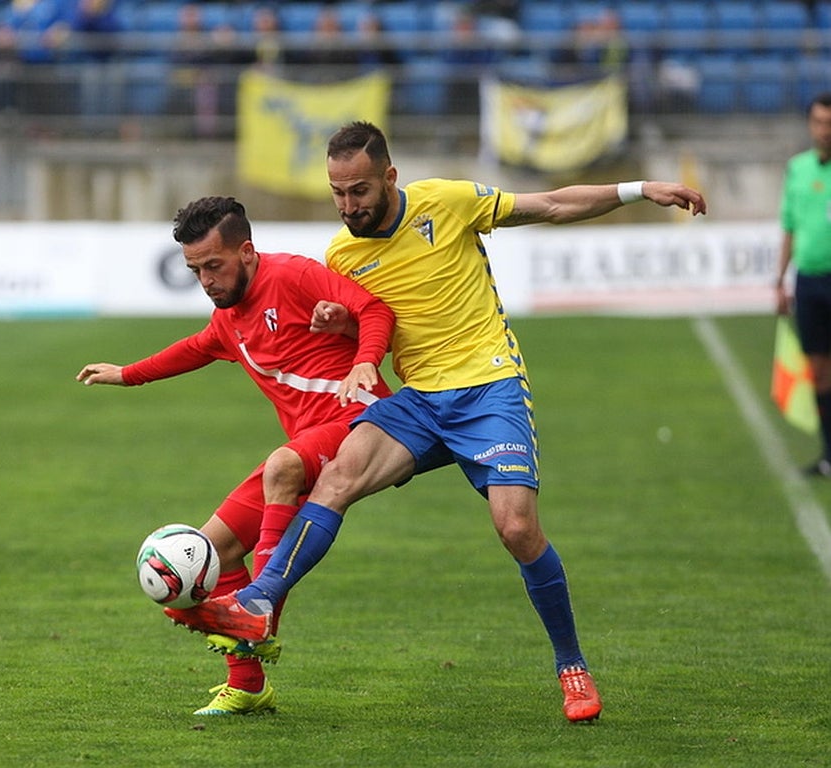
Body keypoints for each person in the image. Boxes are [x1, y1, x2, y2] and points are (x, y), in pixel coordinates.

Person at [164, 121, 708, 723]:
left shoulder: (447, 202)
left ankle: (571, 665)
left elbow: (552, 204)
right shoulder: (342, 255)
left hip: (488, 388)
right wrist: (340, 325)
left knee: (516, 528)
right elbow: (370, 319)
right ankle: (260, 602)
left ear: (389, 177)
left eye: (359, 191)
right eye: (338, 193)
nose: (348, 205)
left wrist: (639, 190)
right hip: (420, 400)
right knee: (335, 477)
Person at [76, 196, 395, 715]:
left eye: (213, 266)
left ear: (246, 251)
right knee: (213, 550)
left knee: (282, 466)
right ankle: (248, 685)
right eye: (195, 270)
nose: (206, 280)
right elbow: (198, 347)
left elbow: (374, 309)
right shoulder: (229, 318)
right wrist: (127, 374)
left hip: (360, 420)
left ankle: (260, 612)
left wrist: (365, 360)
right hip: (310, 438)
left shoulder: (293, 275)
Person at [775, 92, 831, 476]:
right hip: (809, 281)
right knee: (819, 370)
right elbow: (789, 227)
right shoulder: (797, 169)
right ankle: (829, 454)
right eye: (819, 122)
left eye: (830, 124)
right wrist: (780, 280)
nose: (825, 130)